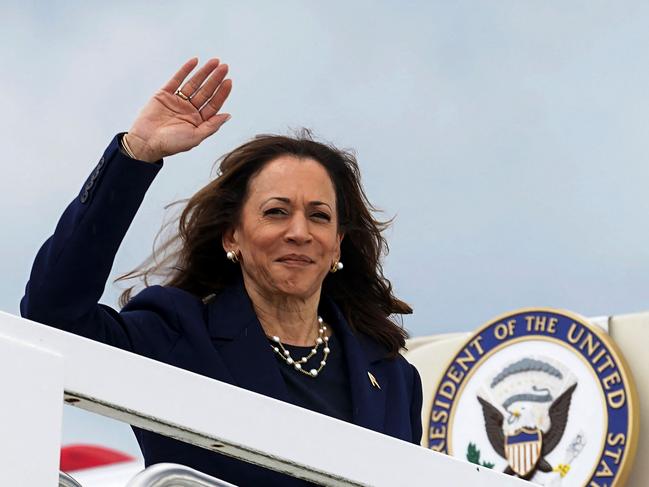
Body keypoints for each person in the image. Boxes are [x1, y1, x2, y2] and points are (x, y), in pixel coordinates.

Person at [21, 58, 423, 486]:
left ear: (337, 244)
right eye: (276, 212)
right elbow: (53, 313)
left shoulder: (394, 378)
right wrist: (135, 154)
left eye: (319, 216)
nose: (300, 232)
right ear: (233, 237)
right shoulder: (178, 335)